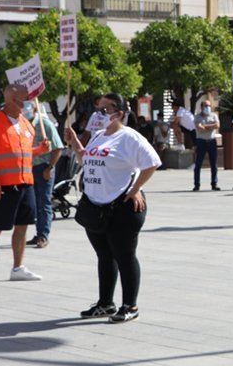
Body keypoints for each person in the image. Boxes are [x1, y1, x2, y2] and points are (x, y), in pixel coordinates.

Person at [63, 93, 161, 323]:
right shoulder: (98, 136)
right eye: (98, 108)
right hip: (96, 206)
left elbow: (152, 162)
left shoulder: (129, 137)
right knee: (104, 256)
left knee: (125, 256)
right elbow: (85, 160)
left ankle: (130, 306)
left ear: (119, 113)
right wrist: (76, 143)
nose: (99, 113)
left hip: (122, 206)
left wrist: (135, 188)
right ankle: (105, 303)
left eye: (105, 109)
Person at [0, 84, 51, 285]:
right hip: (4, 184)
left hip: (26, 183)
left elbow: (23, 153)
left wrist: (39, 151)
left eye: (27, 100)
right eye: (23, 100)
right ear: (11, 99)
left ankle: (18, 267)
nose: (27, 104)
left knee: (23, 226)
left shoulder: (26, 124)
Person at [25, 100, 63, 249]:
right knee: (33, 203)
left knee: (43, 202)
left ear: (35, 111)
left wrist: (50, 167)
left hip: (43, 167)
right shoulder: (22, 126)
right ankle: (38, 232)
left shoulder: (45, 125)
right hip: (28, 168)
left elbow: (58, 147)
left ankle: (43, 235)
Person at [193, 99, 220, 191]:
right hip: (201, 142)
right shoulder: (197, 117)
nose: (208, 107)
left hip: (212, 141)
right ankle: (197, 185)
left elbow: (217, 126)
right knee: (198, 164)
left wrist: (206, 126)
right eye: (206, 106)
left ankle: (214, 183)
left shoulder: (214, 115)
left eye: (209, 105)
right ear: (201, 107)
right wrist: (211, 126)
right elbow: (200, 128)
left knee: (214, 164)